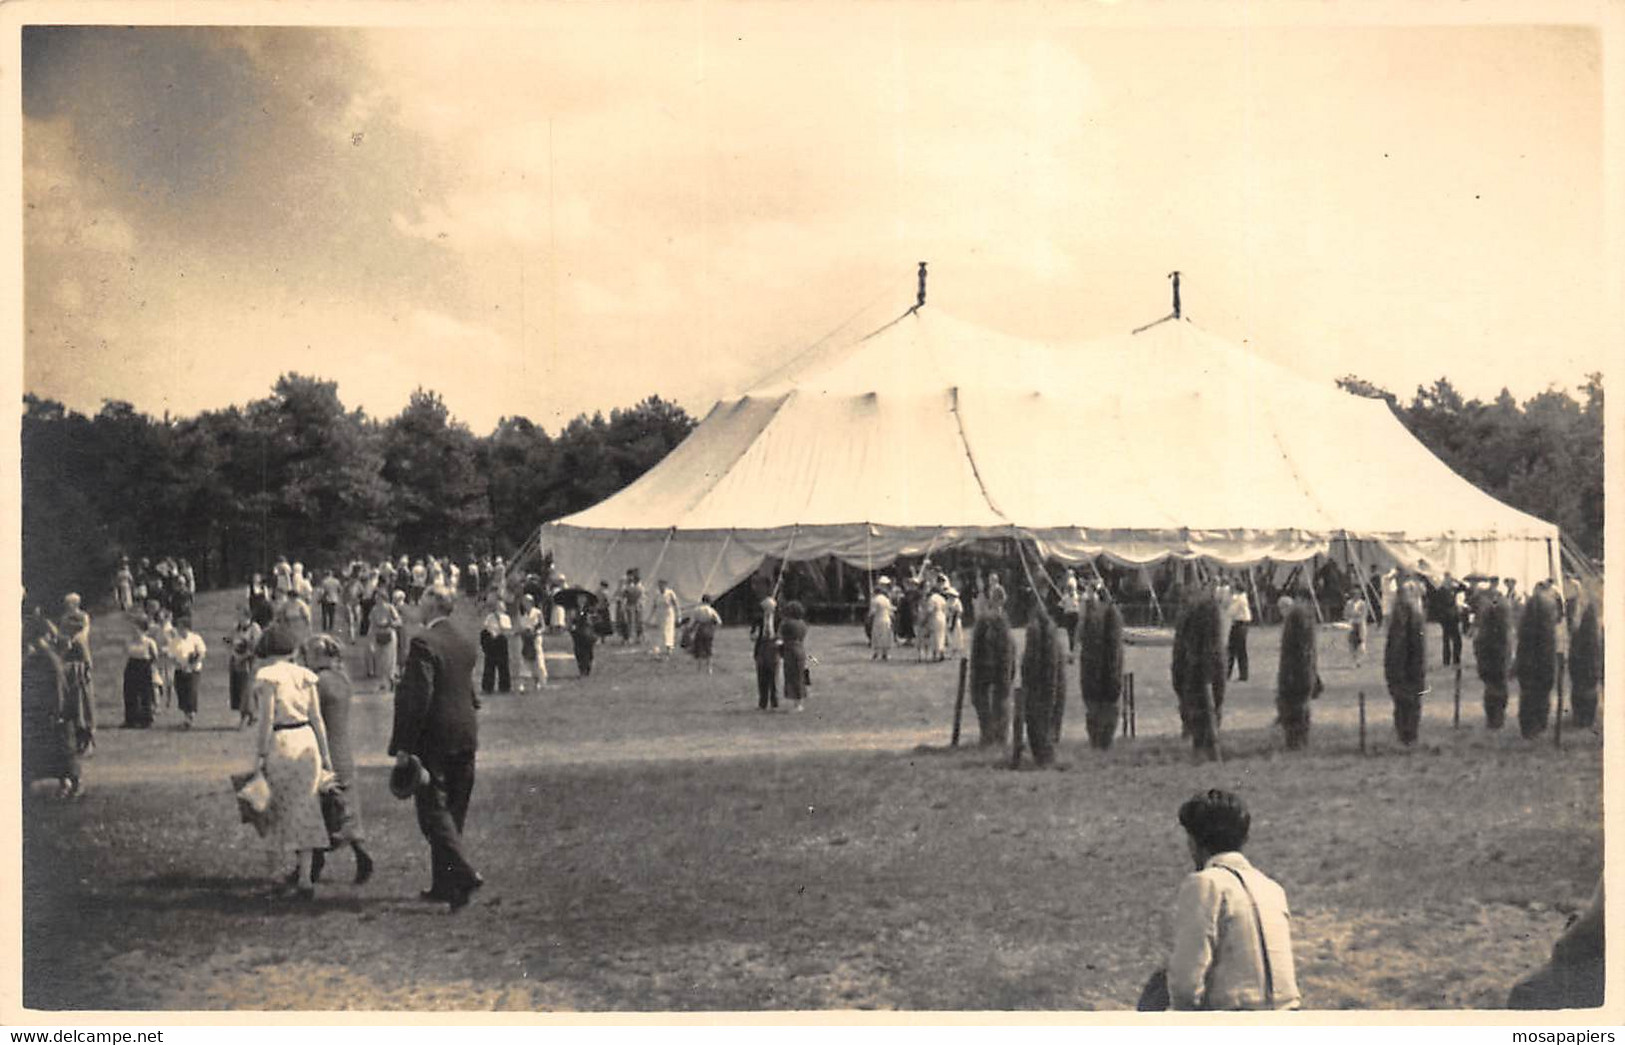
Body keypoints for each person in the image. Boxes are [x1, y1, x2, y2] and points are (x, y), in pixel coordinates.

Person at [1161, 790, 1301, 1010]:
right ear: (1243, 838)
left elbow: (1185, 987)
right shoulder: (1272, 888)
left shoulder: (1205, 884)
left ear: (1194, 842)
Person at [389, 586, 484, 910]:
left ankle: (464, 874)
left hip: (434, 739)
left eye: (422, 601)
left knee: (432, 813)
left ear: (432, 606)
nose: (417, 606)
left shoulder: (423, 642)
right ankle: (448, 888)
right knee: (452, 812)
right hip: (466, 734)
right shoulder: (464, 639)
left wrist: (403, 746)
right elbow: (469, 692)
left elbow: (418, 698)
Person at [250, 623, 336, 900]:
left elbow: (265, 720)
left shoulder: (267, 676)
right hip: (306, 740)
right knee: (307, 807)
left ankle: (276, 875)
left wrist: (260, 754)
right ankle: (305, 878)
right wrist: (325, 756)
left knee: (274, 808)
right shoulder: (306, 675)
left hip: (282, 741)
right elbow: (318, 719)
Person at [304, 635, 374, 886]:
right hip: (343, 748)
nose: (307, 658)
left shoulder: (317, 682)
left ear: (322, 656)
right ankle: (360, 851)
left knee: (317, 805)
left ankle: (312, 863)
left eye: (311, 653)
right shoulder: (343, 679)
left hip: (323, 749)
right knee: (345, 804)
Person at [23, 614, 82, 800]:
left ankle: (73, 783)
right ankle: (66, 783)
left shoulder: (45, 657)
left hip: (51, 710)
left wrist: (56, 710)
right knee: (53, 749)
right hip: (43, 709)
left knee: (61, 749)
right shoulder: (40, 656)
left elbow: (57, 686)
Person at [59, 593, 96, 755]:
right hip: (68, 664)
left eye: (71, 603)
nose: (68, 606)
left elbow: (83, 636)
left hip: (80, 664)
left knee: (85, 702)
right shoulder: (64, 619)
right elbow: (61, 636)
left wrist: (72, 641)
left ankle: (88, 739)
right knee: (72, 703)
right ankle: (76, 739)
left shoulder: (83, 617)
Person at [226, 604, 262, 728]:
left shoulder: (254, 628)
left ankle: (246, 716)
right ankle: (251, 715)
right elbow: (230, 640)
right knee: (238, 688)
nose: (238, 618)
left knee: (247, 689)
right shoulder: (236, 628)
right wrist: (233, 652)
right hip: (236, 661)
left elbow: (256, 647)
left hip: (249, 663)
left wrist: (244, 656)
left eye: (240, 615)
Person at [169, 615, 207, 728]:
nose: (179, 630)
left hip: (193, 670)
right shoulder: (175, 640)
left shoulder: (195, 638)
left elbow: (201, 653)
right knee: (181, 692)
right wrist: (179, 665)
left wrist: (192, 665)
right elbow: (172, 656)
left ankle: (190, 717)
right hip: (180, 669)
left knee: (191, 691)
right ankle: (186, 715)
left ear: (187, 628)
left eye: (181, 627)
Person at [121, 614, 159, 728]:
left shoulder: (149, 642)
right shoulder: (129, 640)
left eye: (136, 628)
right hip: (132, 665)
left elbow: (155, 656)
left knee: (145, 693)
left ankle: (146, 719)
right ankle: (130, 719)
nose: (133, 630)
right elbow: (126, 653)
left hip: (144, 666)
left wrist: (151, 668)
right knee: (129, 692)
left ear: (142, 629)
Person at [367, 591, 403, 690]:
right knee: (380, 660)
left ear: (383, 598)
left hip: (389, 635)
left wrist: (390, 623)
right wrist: (371, 639)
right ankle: (383, 682)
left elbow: (399, 621)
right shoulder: (374, 610)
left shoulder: (390, 608)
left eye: (378, 598)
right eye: (376, 598)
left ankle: (391, 679)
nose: (376, 600)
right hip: (378, 635)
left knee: (390, 660)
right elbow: (372, 624)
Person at [779, 600, 810, 712]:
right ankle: (798, 703)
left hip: (791, 651)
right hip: (800, 650)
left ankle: (797, 705)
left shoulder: (787, 624)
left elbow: (781, 636)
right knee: (799, 676)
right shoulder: (803, 624)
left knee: (793, 677)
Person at [479, 596, 513, 695]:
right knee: (489, 665)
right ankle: (487, 687)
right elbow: (485, 627)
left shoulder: (506, 618)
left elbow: (506, 629)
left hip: (501, 640)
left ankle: (504, 687)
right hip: (491, 641)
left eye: (500, 606)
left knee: (503, 665)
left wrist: (499, 621)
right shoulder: (490, 617)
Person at [516, 593, 548, 692]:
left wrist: (538, 631)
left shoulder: (537, 612)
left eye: (527, 601)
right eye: (524, 601)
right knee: (524, 659)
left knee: (537, 659)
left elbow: (543, 626)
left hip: (535, 638)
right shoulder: (521, 614)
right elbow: (519, 627)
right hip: (524, 639)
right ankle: (522, 683)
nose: (525, 603)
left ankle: (539, 681)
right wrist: (521, 632)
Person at [689, 594, 722, 674]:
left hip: (700, 628)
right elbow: (719, 621)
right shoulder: (711, 610)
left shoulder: (697, 609)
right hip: (709, 629)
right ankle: (709, 669)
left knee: (699, 648)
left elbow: (692, 622)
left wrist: (690, 629)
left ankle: (699, 668)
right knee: (709, 649)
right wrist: (714, 628)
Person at [1226, 582, 1252, 681]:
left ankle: (1228, 673)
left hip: (1239, 624)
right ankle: (1242, 674)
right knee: (1239, 651)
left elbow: (1231, 612)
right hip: (1241, 624)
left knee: (1233, 650)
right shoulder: (1242, 598)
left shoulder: (1238, 599)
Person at [651, 579, 680, 656]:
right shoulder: (657, 594)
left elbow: (676, 604)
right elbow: (654, 606)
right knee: (660, 631)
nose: (660, 587)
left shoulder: (670, 593)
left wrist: (678, 615)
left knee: (668, 630)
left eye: (662, 585)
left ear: (665, 585)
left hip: (668, 614)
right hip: (660, 614)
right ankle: (658, 647)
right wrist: (651, 617)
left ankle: (669, 647)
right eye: (659, 585)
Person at [569, 603, 598, 677]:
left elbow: (595, 619)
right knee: (579, 652)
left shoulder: (590, 609)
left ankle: (587, 667)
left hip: (588, 633)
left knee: (588, 652)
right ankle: (582, 669)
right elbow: (573, 622)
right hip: (578, 634)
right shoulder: (574, 609)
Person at [868, 581, 895, 661]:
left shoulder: (875, 600)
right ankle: (885, 653)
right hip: (887, 619)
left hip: (878, 619)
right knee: (886, 636)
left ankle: (876, 653)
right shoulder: (886, 599)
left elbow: (872, 612)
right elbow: (891, 611)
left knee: (876, 636)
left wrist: (868, 617)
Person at [1344, 591, 1369, 668]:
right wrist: (1352, 615)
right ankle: (1353, 661)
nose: (1356, 596)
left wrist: (1357, 614)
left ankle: (1358, 660)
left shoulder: (1362, 604)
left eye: (1358, 595)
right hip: (1352, 625)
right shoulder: (1349, 603)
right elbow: (1346, 614)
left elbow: (1364, 615)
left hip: (1360, 625)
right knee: (1352, 644)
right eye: (1354, 594)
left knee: (1361, 644)